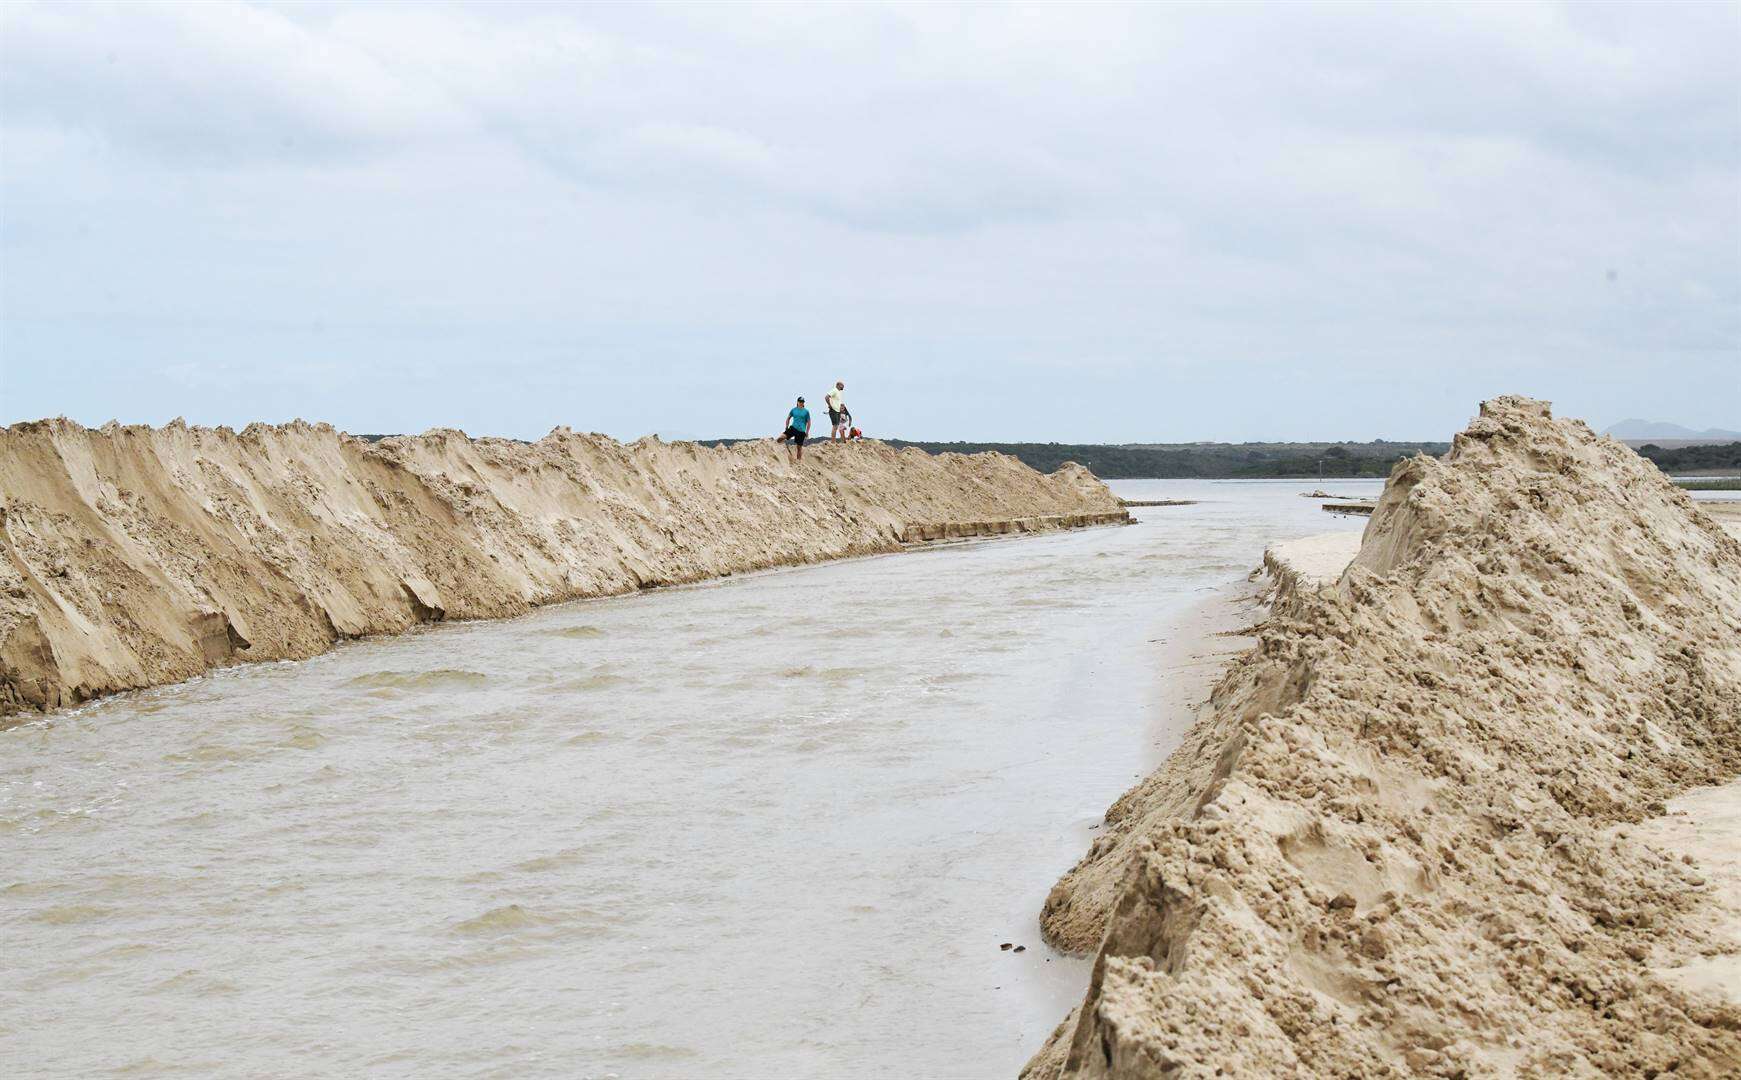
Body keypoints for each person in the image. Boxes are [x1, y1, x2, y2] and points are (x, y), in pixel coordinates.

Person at [779, 395, 811, 461]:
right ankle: (776, 447)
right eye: (800, 401)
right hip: (793, 428)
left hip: (801, 431)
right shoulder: (793, 410)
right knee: (781, 437)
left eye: (802, 402)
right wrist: (786, 427)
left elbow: (809, 422)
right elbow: (788, 418)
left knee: (799, 448)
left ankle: (799, 462)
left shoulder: (806, 411)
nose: (801, 403)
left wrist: (807, 432)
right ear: (797, 402)